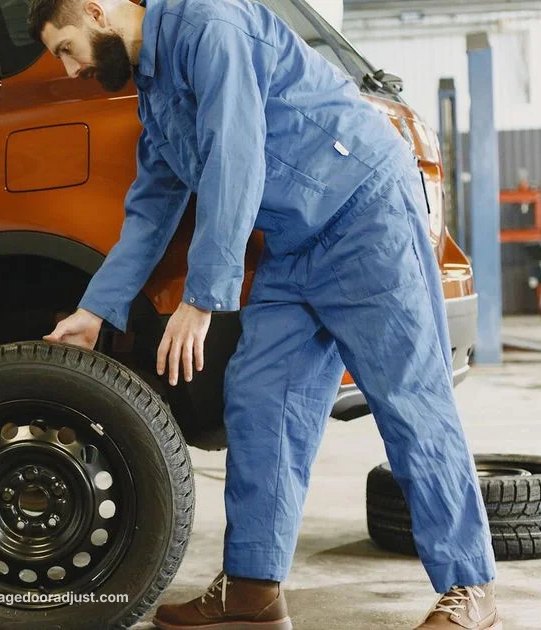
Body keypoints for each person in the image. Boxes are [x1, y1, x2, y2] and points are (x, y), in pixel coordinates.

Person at [27, 0, 501, 628]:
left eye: (65, 47)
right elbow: (151, 208)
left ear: (96, 11)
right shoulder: (155, 88)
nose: (66, 69)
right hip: (291, 243)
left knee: (410, 401)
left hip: (364, 217)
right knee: (259, 399)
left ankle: (470, 590)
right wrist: (95, 310)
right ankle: (253, 588)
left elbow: (236, 152)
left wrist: (203, 298)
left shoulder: (210, 24)